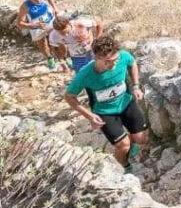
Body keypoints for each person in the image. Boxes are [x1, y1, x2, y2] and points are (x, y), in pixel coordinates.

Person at [63, 34, 148, 167]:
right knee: (123, 146)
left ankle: (131, 143)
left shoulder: (123, 56)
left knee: (141, 139)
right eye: (107, 61)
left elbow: (132, 63)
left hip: (126, 103)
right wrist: (90, 116)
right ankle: (124, 167)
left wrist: (136, 86)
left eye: (115, 59)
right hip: (104, 112)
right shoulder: (85, 74)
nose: (113, 64)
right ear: (96, 58)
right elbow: (69, 96)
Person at [17, 0, 58, 69]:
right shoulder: (25, 6)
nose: (38, 0)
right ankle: (50, 59)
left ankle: (62, 58)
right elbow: (20, 23)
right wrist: (33, 25)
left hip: (49, 20)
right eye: (35, 0)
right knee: (42, 43)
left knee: (57, 38)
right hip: (36, 26)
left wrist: (55, 7)